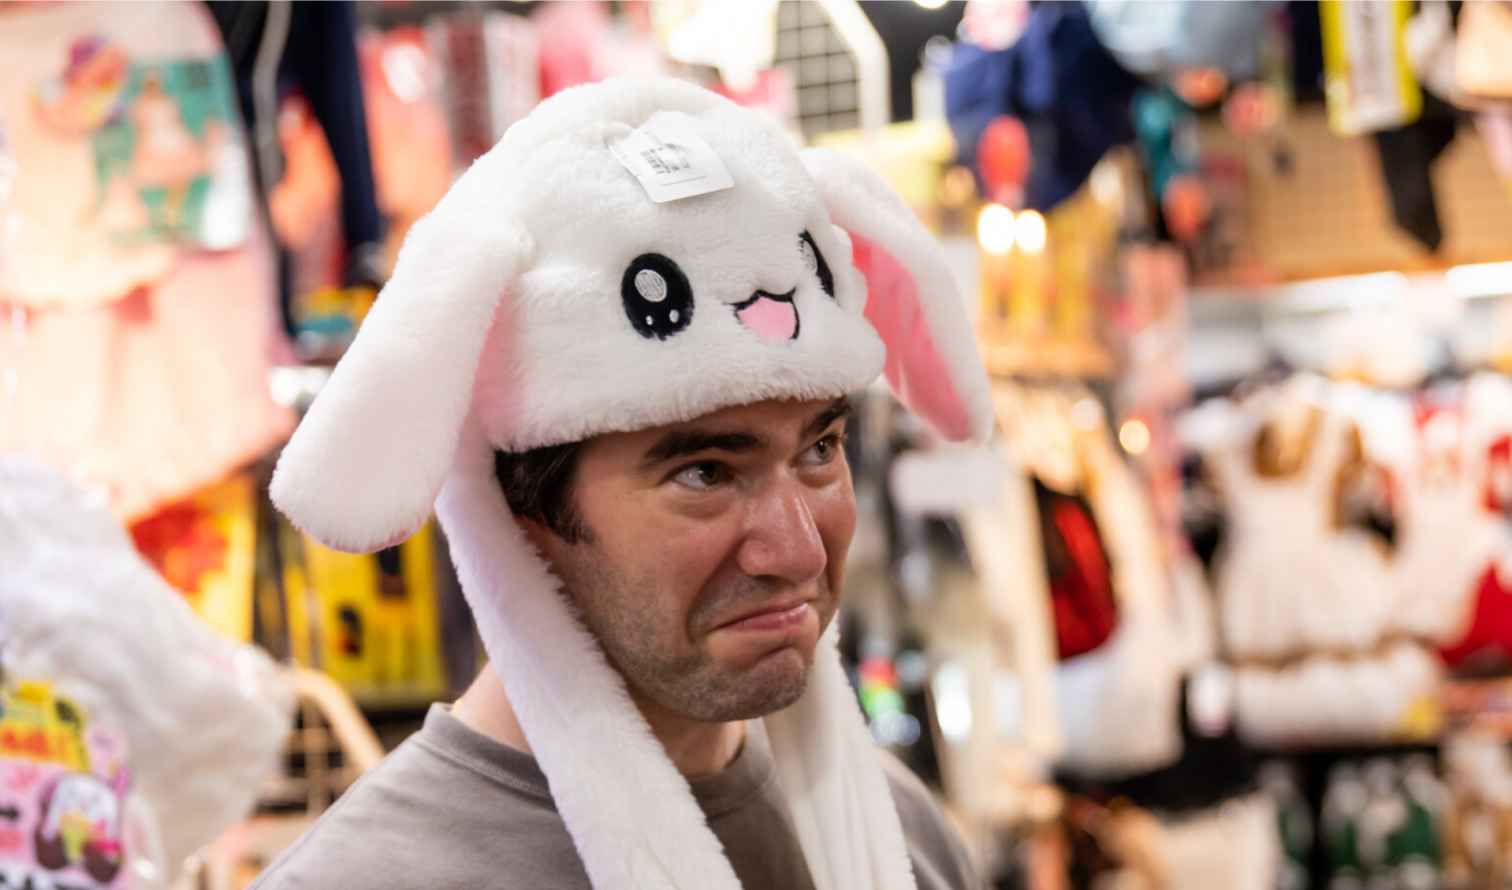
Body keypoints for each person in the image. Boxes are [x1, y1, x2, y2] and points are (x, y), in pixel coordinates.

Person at [257, 76, 993, 890]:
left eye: (819, 448)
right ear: (522, 506)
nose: (796, 547)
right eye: (707, 472)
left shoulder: (904, 837)